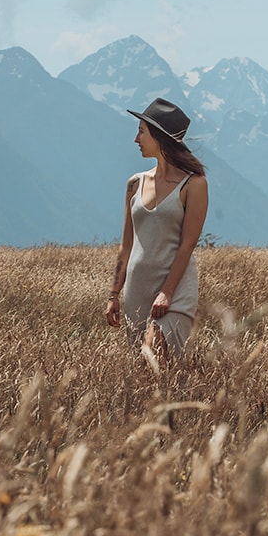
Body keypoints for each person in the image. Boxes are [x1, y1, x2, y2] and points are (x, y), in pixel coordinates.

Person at [106, 98, 209, 361]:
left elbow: (188, 244)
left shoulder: (193, 184)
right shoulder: (134, 183)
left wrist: (167, 292)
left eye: (141, 131)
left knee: (151, 353)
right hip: (137, 289)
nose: (136, 139)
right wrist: (113, 294)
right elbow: (126, 245)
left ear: (160, 137)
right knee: (147, 375)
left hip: (174, 289)